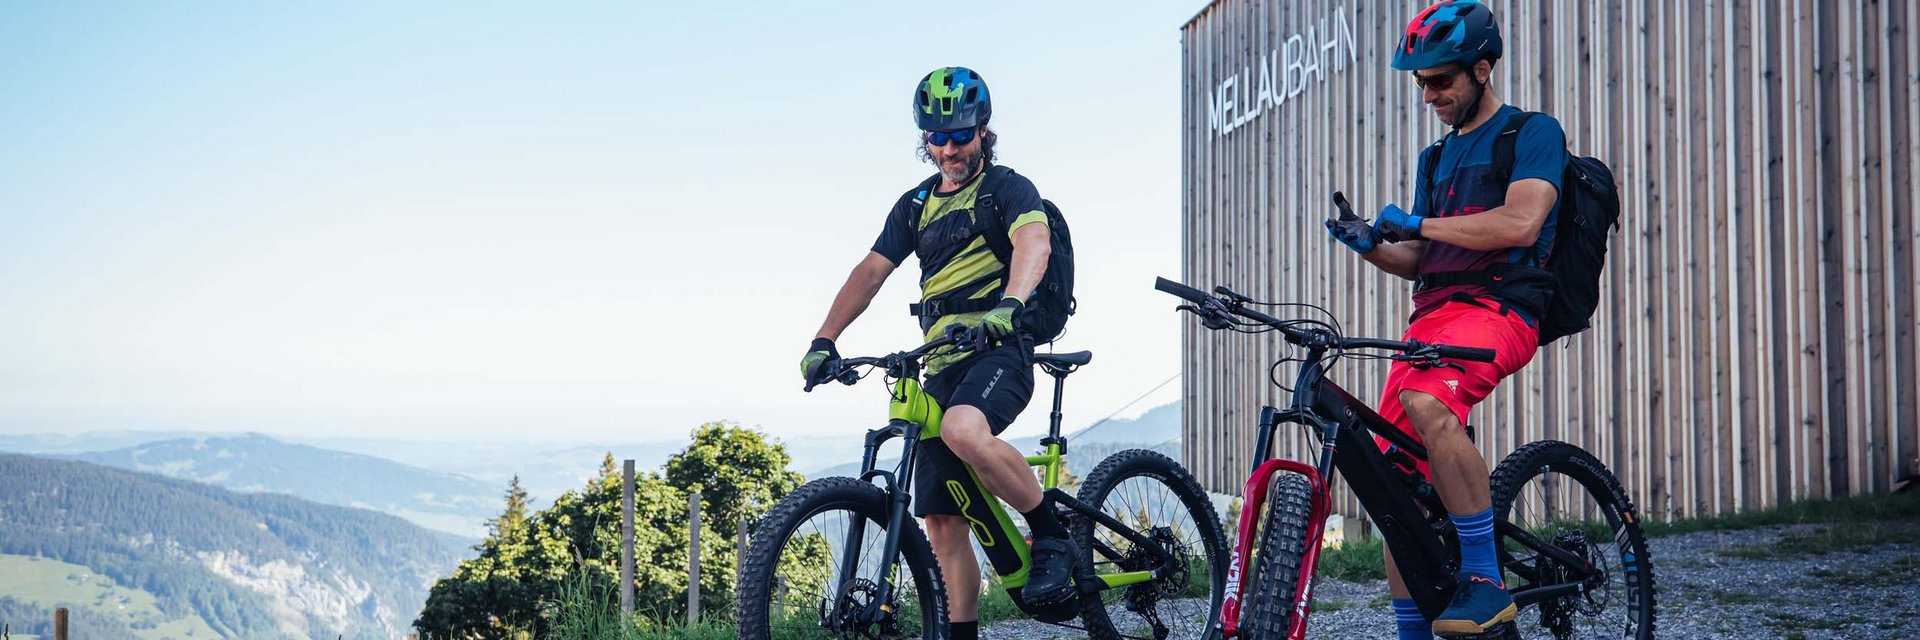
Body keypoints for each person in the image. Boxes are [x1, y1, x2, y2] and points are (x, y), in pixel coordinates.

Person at [799, 66, 1076, 640]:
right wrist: (825, 339)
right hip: (941, 360)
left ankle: (1050, 533)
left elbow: (1034, 241)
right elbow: (870, 272)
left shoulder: (1007, 188)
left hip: (1002, 350)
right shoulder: (915, 204)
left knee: (964, 431)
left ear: (983, 131)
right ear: (925, 139)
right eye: (938, 137)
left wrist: (1010, 304)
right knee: (943, 522)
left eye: (961, 135)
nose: (950, 149)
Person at [1323, 1, 1568, 637]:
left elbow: (1521, 223)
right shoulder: (1434, 161)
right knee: (1389, 482)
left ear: (1482, 70)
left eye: (1441, 80)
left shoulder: (1531, 133)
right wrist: (1371, 244)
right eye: (1420, 82)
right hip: (1433, 316)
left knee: (1428, 401)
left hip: (1500, 309)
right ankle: (1412, 631)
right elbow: (1422, 259)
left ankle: (1486, 580)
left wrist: (1417, 223)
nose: (1429, 94)